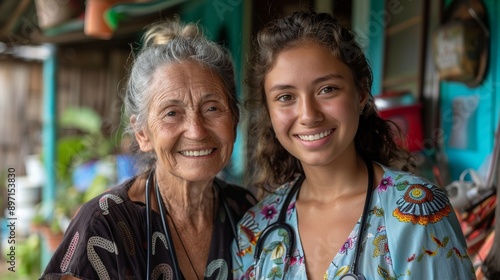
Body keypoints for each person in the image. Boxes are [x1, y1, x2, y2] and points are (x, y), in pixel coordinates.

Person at [232, 11, 475, 280]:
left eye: (327, 89)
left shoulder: (417, 213)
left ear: (360, 93)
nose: (309, 115)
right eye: (286, 97)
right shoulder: (256, 230)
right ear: (269, 110)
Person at [40, 17, 256, 280]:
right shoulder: (105, 225)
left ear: (234, 118)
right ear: (142, 134)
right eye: (171, 113)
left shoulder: (243, 210)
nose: (196, 130)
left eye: (212, 108)